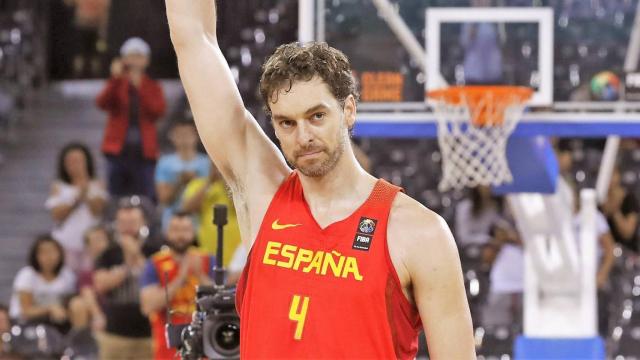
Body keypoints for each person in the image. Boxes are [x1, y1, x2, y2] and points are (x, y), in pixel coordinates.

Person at [165, 1, 475, 358]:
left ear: (348, 110)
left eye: (316, 116)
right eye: (287, 123)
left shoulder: (420, 232)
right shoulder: (263, 193)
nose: (304, 136)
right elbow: (194, 38)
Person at [96, 37, 166, 200]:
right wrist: (115, 79)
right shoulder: (117, 83)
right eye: (131, 56)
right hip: (117, 151)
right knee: (115, 196)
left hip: (144, 152)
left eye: (139, 56)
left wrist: (139, 88)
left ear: (146, 61)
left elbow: (158, 110)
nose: (135, 61)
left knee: (145, 196)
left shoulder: (153, 86)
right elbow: (102, 102)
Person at [140, 212, 215, 360]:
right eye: (175, 230)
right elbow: (147, 306)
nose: (180, 235)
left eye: (185, 230)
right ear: (167, 232)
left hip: (205, 347)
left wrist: (200, 275)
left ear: (193, 233)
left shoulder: (208, 259)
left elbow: (222, 301)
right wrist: (181, 277)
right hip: (167, 348)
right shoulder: (154, 263)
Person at [93, 204, 153, 360]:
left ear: (143, 223)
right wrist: (127, 262)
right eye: (123, 223)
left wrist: (136, 254)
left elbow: (157, 282)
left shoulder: (155, 249)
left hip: (149, 333)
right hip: (115, 334)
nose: (128, 228)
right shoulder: (108, 253)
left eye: (132, 222)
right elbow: (101, 285)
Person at [46, 142, 108, 273]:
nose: (75, 165)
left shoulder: (98, 184)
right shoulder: (58, 187)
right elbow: (56, 214)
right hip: (66, 242)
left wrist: (86, 188)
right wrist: (77, 198)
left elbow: (98, 210)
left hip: (91, 244)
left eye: (79, 160)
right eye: (70, 161)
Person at [8, 235, 80, 333]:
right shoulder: (27, 275)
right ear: (36, 255)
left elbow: (70, 303)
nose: (49, 256)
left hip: (57, 322)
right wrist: (50, 309)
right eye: (44, 252)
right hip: (26, 323)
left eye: (52, 251)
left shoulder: (67, 275)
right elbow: (26, 311)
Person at [181, 163, 241, 266]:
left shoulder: (238, 186)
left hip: (236, 252)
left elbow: (239, 207)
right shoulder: (198, 184)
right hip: (207, 248)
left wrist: (226, 181)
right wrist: (209, 182)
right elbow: (187, 209)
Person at [155, 120, 210, 229]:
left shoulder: (207, 163)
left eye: (188, 134)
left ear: (197, 135)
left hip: (200, 222)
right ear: (172, 137)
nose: (184, 139)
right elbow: (163, 198)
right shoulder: (165, 163)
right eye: (180, 134)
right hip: (172, 221)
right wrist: (180, 182)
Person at [602, 168, 639, 253]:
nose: (609, 178)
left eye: (612, 174)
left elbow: (628, 233)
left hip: (628, 253)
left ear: (618, 176)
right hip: (606, 252)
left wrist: (615, 211)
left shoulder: (630, 199)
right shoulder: (599, 201)